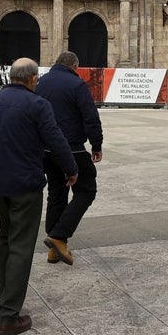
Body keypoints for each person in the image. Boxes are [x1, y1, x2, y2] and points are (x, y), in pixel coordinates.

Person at [0, 58, 77, 335]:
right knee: (20, 246)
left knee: (6, 239)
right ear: (31, 79)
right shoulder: (38, 105)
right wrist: (71, 168)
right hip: (25, 186)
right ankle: (7, 317)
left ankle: (4, 300)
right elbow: (55, 140)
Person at [35, 51, 103, 267]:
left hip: (46, 150)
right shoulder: (77, 84)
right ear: (74, 66)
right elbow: (90, 116)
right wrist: (96, 144)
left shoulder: (41, 82)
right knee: (86, 190)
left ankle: (54, 249)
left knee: (56, 193)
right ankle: (59, 236)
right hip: (72, 148)